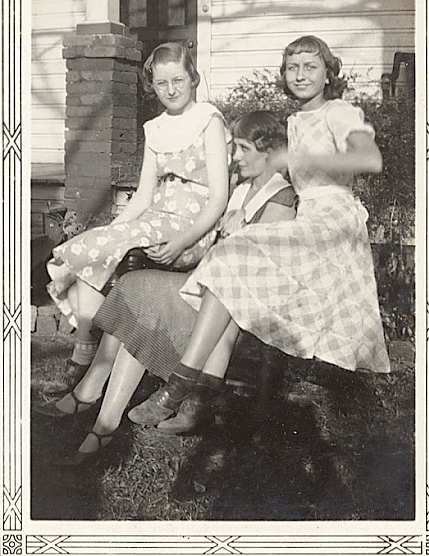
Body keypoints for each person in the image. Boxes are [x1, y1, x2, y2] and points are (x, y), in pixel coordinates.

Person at [129, 34, 391, 434]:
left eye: (310, 66)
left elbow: (371, 160)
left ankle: (179, 389)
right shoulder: (295, 120)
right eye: (292, 67)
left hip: (334, 222)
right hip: (307, 219)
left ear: (327, 74)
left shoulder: (340, 112)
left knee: (233, 257)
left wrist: (297, 157)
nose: (300, 75)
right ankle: (187, 389)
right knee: (228, 264)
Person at [36, 111, 298, 465]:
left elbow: (266, 269)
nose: (234, 157)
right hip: (204, 287)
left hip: (229, 308)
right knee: (134, 287)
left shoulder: (281, 197)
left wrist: (247, 231)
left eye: (242, 149)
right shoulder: (242, 191)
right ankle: (101, 418)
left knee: (144, 302)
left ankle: (97, 413)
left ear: (268, 152)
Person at [45, 42, 230, 393]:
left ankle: (86, 359)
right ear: (153, 87)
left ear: (194, 79)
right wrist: (113, 232)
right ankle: (85, 347)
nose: (171, 90)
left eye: (178, 80)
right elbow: (144, 196)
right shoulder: (155, 128)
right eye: (162, 84)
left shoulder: (208, 120)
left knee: (101, 247)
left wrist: (182, 241)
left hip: (192, 229)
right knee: (93, 247)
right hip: (157, 220)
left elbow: (219, 198)